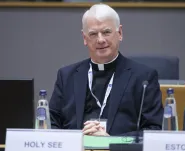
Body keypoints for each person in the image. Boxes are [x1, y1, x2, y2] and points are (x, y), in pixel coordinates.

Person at [49, 3, 163, 136]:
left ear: (119, 33)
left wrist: (110, 141)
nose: (100, 39)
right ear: (85, 38)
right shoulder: (66, 76)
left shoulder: (144, 77)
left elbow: (154, 130)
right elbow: (51, 123)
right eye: (93, 34)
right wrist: (74, 141)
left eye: (106, 32)